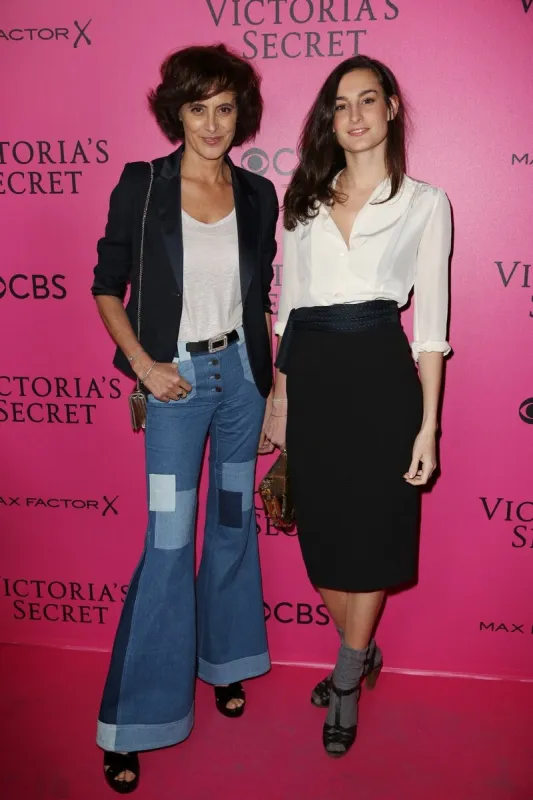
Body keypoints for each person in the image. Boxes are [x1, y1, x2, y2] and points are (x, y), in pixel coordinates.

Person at [91, 44, 278, 792]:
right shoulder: (142, 185)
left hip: (240, 380)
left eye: (224, 107)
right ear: (177, 111)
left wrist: (276, 397)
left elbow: (262, 303)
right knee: (168, 540)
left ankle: (224, 662)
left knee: (232, 524)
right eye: (197, 107)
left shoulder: (260, 195)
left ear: (241, 113)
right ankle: (135, 718)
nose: (211, 123)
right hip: (173, 382)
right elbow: (107, 286)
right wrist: (143, 364)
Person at [265, 55, 452, 758]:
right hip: (310, 375)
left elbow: (430, 328)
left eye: (367, 100)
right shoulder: (303, 198)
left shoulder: (425, 203)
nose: (354, 116)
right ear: (328, 119)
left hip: (379, 374)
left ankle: (345, 674)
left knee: (371, 534)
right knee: (320, 538)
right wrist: (279, 398)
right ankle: (360, 650)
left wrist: (428, 426)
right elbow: (287, 309)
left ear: (391, 108)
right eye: (340, 105)